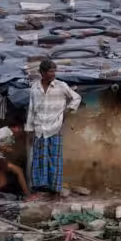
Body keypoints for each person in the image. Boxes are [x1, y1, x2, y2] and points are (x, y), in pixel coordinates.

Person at [25, 59, 81, 196]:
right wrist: (29, 130)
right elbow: (31, 110)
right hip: (39, 129)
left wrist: (67, 110)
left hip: (54, 127)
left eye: (54, 71)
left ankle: (54, 190)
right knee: (39, 160)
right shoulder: (34, 88)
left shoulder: (61, 86)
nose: (53, 74)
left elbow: (76, 97)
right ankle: (41, 189)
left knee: (54, 160)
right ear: (42, 73)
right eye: (50, 71)